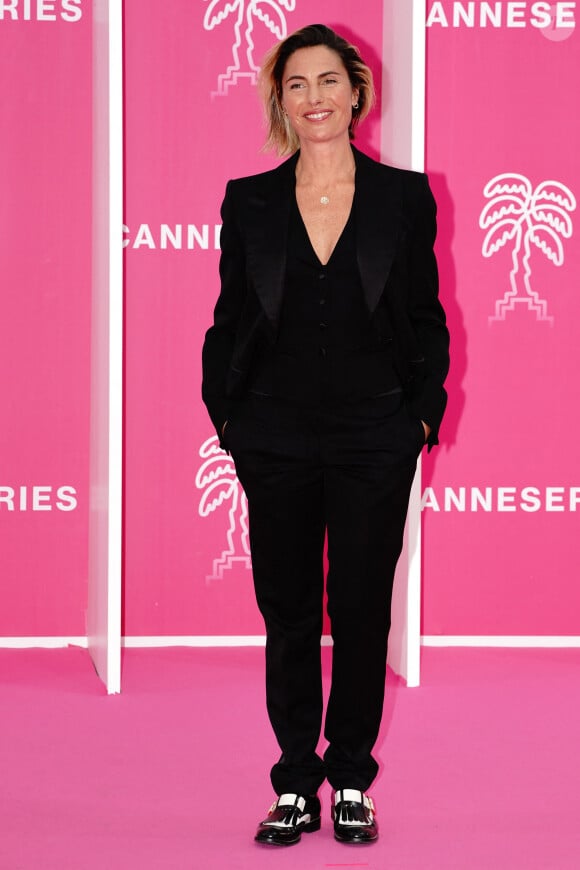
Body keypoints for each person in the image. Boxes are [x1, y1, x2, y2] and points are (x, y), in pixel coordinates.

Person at [202, 23, 449, 847]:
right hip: (271, 433)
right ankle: (295, 782)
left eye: (327, 82)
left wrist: (417, 417)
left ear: (356, 94)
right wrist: (229, 422)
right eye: (296, 84)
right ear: (281, 99)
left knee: (362, 609)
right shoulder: (250, 199)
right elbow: (228, 321)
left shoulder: (405, 198)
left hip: (375, 433)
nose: (313, 98)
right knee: (289, 611)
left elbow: (425, 317)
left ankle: (350, 779)